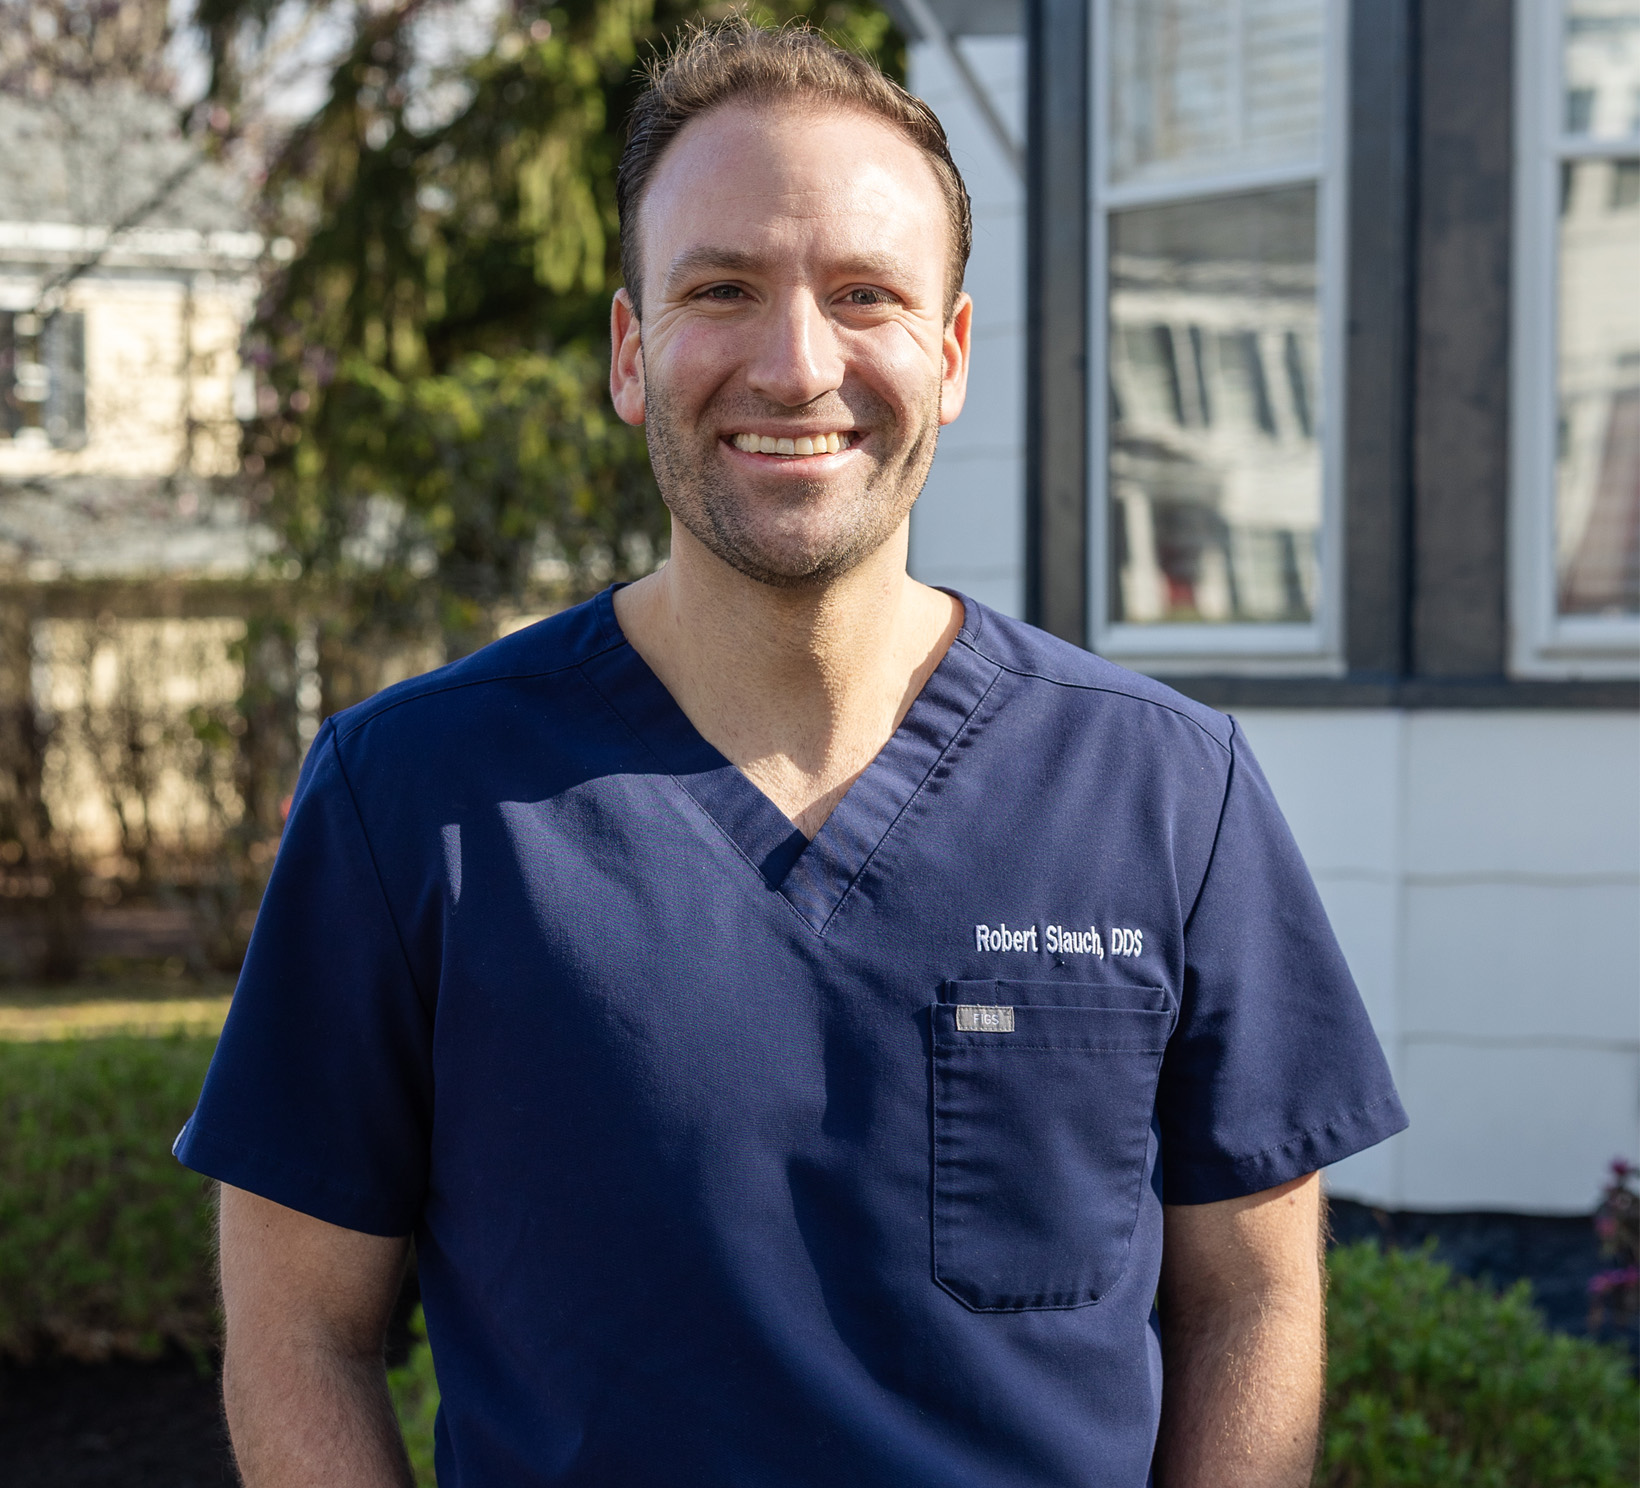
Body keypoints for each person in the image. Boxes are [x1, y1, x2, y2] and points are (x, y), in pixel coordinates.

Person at [177, 20, 1407, 1487]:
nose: (797, 361)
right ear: (632, 355)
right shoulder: (412, 800)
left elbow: (1252, 1298)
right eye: (723, 290)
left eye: (865, 294)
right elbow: (296, 1330)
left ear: (949, 357)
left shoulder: (1166, 792)